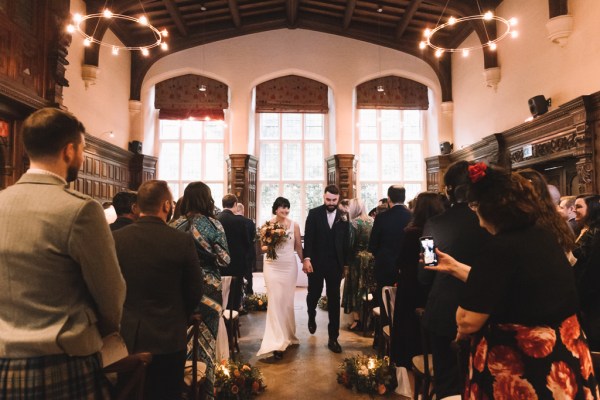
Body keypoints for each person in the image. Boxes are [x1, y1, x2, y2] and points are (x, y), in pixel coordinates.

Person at [429, 162, 598, 399]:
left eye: (476, 207)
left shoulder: (501, 247)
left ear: (492, 209)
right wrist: (455, 267)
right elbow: (513, 287)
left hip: (526, 364)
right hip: (564, 355)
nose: (477, 218)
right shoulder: (543, 235)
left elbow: (467, 321)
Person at [0, 107, 126, 398]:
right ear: (69, 151)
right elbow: (112, 294)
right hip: (61, 360)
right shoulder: (80, 209)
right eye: (82, 149)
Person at [113, 180, 203, 400]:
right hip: (169, 334)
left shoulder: (117, 239)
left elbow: (109, 285)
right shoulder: (180, 241)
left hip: (129, 335)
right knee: (167, 392)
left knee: (133, 393)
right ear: (166, 206)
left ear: (137, 207)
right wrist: (184, 312)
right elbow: (194, 288)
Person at [418, 160, 491, 399]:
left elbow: (426, 272)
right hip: (486, 311)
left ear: (448, 190)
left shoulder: (433, 223)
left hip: (443, 312)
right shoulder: (493, 221)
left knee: (447, 383)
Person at [171, 181, 230, 400]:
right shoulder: (214, 226)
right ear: (207, 199)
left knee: (181, 339)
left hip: (179, 288)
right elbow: (225, 260)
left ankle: (181, 389)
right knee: (207, 344)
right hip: (209, 289)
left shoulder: (174, 224)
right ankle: (205, 393)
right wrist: (207, 254)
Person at [391, 192, 444, 369]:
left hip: (411, 285)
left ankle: (407, 363)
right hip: (430, 286)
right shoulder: (438, 231)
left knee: (408, 326)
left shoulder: (415, 233)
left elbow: (402, 260)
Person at [303, 184, 350, 353]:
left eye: (334, 200)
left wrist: (346, 265)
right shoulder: (314, 213)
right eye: (328, 199)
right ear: (324, 197)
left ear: (338, 199)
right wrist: (306, 259)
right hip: (316, 263)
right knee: (313, 294)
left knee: (334, 300)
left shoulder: (344, 216)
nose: (331, 202)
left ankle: (333, 338)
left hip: (335, 265)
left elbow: (346, 242)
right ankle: (311, 313)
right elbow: (308, 239)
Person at [257, 197, 302, 360]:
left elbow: (298, 246)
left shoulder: (294, 225)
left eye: (287, 207)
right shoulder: (267, 225)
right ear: (275, 209)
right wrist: (272, 242)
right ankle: (276, 342)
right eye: (282, 207)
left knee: (287, 301)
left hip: (289, 266)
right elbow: (262, 247)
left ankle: (288, 334)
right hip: (272, 266)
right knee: (275, 301)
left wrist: (305, 261)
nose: (285, 210)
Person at [368, 185, 412, 313]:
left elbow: (373, 245)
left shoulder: (382, 217)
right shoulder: (413, 216)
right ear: (404, 198)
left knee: (384, 302)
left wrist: (381, 255)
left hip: (385, 265)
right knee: (405, 302)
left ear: (389, 199)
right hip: (407, 266)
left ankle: (384, 328)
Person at [341, 198, 374, 331]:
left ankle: (357, 320)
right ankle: (369, 318)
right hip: (371, 260)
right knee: (368, 289)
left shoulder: (353, 223)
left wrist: (346, 264)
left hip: (356, 261)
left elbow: (350, 244)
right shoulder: (372, 221)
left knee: (355, 289)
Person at [217, 194, 253, 311]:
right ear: (235, 205)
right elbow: (247, 243)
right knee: (235, 292)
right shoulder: (241, 221)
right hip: (237, 263)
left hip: (219, 262)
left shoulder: (214, 219)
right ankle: (233, 318)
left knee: (220, 291)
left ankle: (221, 314)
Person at [235, 202, 257, 297]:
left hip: (236, 252)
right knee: (248, 273)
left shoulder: (233, 221)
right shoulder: (250, 222)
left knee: (237, 274)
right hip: (249, 251)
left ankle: (238, 294)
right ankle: (249, 292)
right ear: (243, 211)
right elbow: (253, 237)